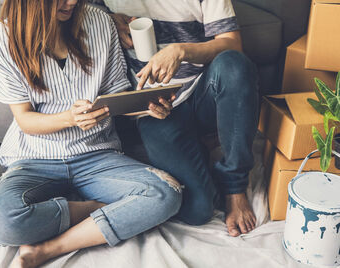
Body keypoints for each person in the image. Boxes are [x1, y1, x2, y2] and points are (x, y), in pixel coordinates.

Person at [0, 0, 182, 267]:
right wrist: (69, 118)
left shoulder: (100, 22)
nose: (73, 2)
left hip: (97, 155)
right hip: (34, 158)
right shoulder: (3, 38)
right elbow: (25, 120)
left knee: (167, 194)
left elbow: (116, 98)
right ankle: (94, 208)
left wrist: (147, 108)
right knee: (0, 223)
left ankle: (49, 249)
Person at [92, 0, 259, 237]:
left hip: (203, 90)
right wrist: (106, 16)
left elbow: (232, 43)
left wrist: (181, 51)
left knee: (235, 65)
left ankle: (235, 186)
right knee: (197, 211)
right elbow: (73, 8)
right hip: (153, 108)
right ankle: (200, 147)